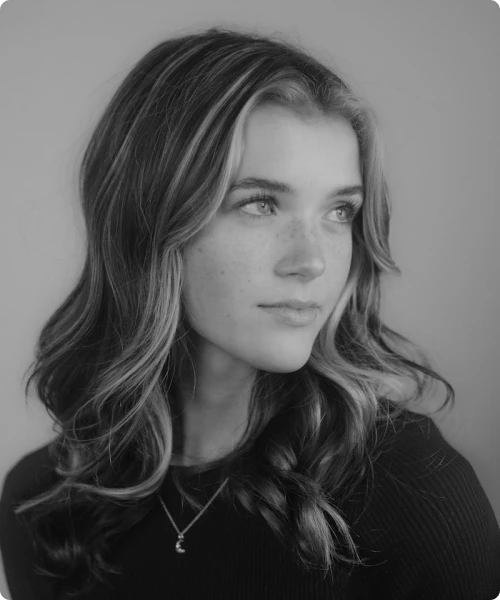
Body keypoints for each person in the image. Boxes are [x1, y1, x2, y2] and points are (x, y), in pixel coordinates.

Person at [0, 25, 499, 600]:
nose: (313, 261)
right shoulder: (41, 503)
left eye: (340, 211)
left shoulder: (409, 486)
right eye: (260, 204)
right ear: (149, 221)